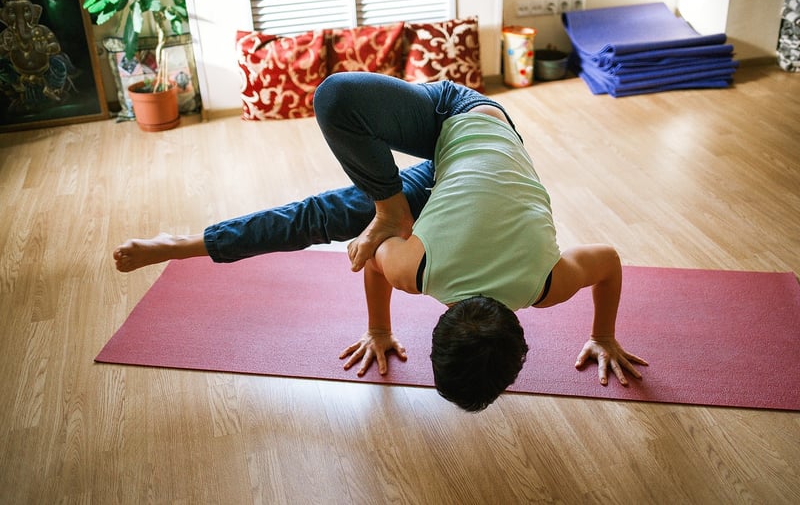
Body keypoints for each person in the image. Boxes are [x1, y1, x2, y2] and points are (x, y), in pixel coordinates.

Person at [114, 72, 647, 412]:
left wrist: (603, 333)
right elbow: (370, 260)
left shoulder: (548, 285)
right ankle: (391, 208)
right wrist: (377, 326)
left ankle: (182, 244)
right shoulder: (420, 270)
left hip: (457, 179)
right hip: (461, 118)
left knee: (330, 215)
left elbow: (608, 262)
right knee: (335, 127)